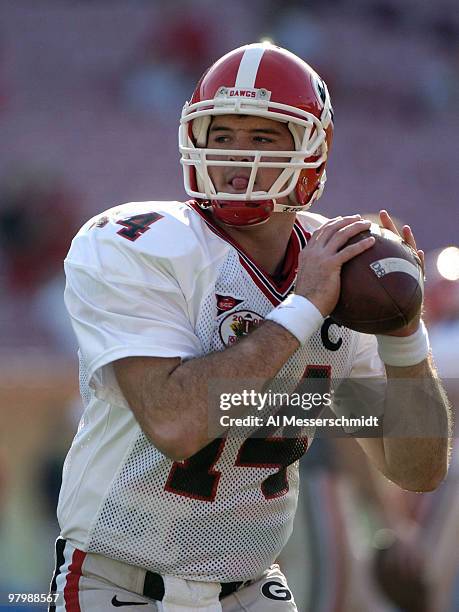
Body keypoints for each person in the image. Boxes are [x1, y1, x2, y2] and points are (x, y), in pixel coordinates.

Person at [49, 43, 451, 611]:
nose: (239, 159)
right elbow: (177, 421)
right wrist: (304, 306)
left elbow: (415, 469)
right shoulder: (144, 244)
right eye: (222, 137)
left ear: (314, 150)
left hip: (253, 585)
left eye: (262, 138)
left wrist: (404, 334)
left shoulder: (344, 268)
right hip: (122, 581)